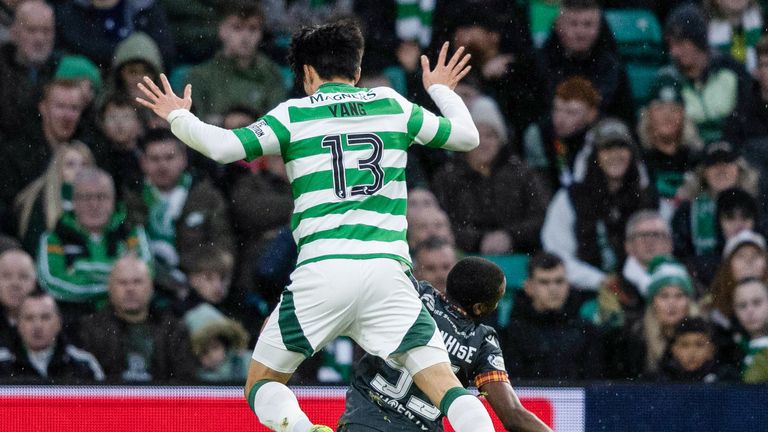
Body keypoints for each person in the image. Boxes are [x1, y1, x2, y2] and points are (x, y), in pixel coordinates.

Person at [136, 20, 496, 432]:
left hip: (322, 271)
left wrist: (179, 116)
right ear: (357, 70)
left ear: (307, 74)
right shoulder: (392, 105)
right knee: (447, 391)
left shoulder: (293, 115)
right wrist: (441, 90)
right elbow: (468, 137)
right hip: (387, 274)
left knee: (261, 385)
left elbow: (223, 147)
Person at [338, 257, 552, 432]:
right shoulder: (482, 342)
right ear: (479, 308)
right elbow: (512, 415)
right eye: (497, 300)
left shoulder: (415, 294)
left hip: (362, 422)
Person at [541, 118, 657, 291]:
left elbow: (662, 249)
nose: (616, 155)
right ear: (594, 155)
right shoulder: (569, 199)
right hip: (584, 292)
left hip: (642, 290)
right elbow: (557, 255)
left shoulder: (648, 198)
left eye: (622, 147)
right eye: (607, 148)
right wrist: (600, 281)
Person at [36, 168, 152, 333]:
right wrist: (116, 285)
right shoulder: (54, 237)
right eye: (86, 198)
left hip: (129, 322)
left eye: (101, 197)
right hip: (75, 321)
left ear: (113, 200)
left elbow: (146, 274)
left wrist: (81, 269)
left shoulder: (132, 232)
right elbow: (52, 283)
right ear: (73, 201)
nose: (94, 204)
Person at [124, 128, 234, 297]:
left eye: (169, 157)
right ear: (143, 162)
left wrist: (193, 270)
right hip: (145, 284)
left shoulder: (206, 196)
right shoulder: (132, 197)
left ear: (183, 159)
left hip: (196, 284)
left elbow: (223, 244)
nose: (162, 165)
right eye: (155, 159)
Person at [432, 97, 549, 254]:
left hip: (520, 255)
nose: (484, 142)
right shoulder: (447, 176)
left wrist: (510, 237)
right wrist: (478, 240)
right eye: (477, 134)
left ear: (500, 140)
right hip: (462, 255)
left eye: (491, 135)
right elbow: (440, 222)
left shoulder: (522, 173)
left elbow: (541, 216)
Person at [79, 254, 196, 383]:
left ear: (151, 287)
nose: (130, 289)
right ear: (110, 288)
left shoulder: (173, 329)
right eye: (123, 283)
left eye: (137, 282)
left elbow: (185, 381)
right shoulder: (89, 329)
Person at [501, 252, 604, 380]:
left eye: (559, 281)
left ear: (568, 285)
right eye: (544, 282)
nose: (553, 288)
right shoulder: (511, 335)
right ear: (529, 287)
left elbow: (595, 383)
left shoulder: (588, 332)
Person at [660, 3, 752, 143]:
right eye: (671, 45)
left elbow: (745, 117)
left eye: (681, 43)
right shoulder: (668, 78)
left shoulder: (732, 70)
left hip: (734, 148)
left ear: (698, 40)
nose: (674, 52)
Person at [186, 1, 286, 124]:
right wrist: (224, 122)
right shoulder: (199, 76)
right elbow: (191, 126)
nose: (245, 36)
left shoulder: (271, 74)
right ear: (222, 30)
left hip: (258, 141)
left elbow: (279, 124)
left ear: (261, 33)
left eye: (252, 28)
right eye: (237, 27)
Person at [0, 291, 104, 382]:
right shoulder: (2, 363)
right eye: (29, 318)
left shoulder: (84, 364)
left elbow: (102, 402)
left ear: (59, 322)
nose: (37, 326)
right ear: (18, 324)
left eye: (45, 318)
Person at [523, 76, 601, 194]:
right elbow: (540, 188)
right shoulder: (540, 135)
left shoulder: (601, 139)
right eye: (557, 109)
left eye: (571, 112)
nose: (560, 119)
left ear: (591, 114)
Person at [14, 141, 95, 254]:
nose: (79, 171)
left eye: (84, 164)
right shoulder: (40, 202)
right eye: (70, 165)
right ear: (58, 170)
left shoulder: (101, 202)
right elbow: (34, 248)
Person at [0, 0, 57, 140]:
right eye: (31, 30)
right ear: (14, 33)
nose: (40, 38)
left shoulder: (64, 67)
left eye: (46, 30)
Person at [651, 316, 739, 382]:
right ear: (674, 350)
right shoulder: (661, 381)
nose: (692, 352)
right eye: (685, 345)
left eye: (699, 345)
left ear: (711, 350)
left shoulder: (726, 380)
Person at [732, 278, 768, 382]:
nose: (750, 311)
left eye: (757, 303)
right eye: (742, 305)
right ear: (735, 310)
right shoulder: (728, 351)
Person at [0, 249, 37, 347]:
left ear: (34, 283)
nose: (15, 284)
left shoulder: (51, 323)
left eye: (24, 276)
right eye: (6, 276)